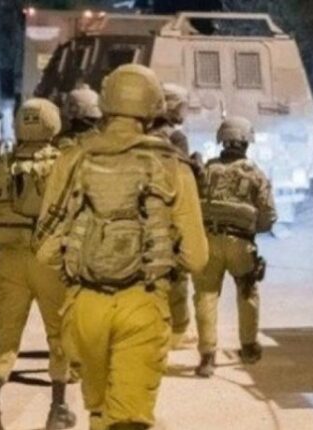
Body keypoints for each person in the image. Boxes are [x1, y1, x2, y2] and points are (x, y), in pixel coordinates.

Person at [34, 64, 208, 430]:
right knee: (128, 417)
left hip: (84, 307)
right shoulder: (173, 166)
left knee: (100, 413)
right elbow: (196, 258)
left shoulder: (72, 159)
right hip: (143, 305)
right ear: (154, 106)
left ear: (107, 102)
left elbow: (45, 249)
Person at [0, 98, 76, 430]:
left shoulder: (2, 166)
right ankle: (58, 408)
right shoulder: (64, 165)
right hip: (50, 262)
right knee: (59, 334)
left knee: (5, 336)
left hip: (9, 261)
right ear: (52, 124)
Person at [192, 116, 277, 378]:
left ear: (222, 141)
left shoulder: (207, 170)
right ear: (246, 142)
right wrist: (250, 230)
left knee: (206, 295)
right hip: (240, 243)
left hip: (208, 240)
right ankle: (249, 347)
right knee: (247, 291)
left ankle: (207, 357)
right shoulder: (254, 174)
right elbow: (268, 216)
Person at [150, 82, 194, 349]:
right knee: (177, 273)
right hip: (168, 214)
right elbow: (181, 179)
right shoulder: (176, 138)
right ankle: (177, 331)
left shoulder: (142, 132)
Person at [55, 84, 102, 149]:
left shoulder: (73, 93)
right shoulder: (95, 94)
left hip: (81, 120)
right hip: (96, 118)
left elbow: (65, 111)